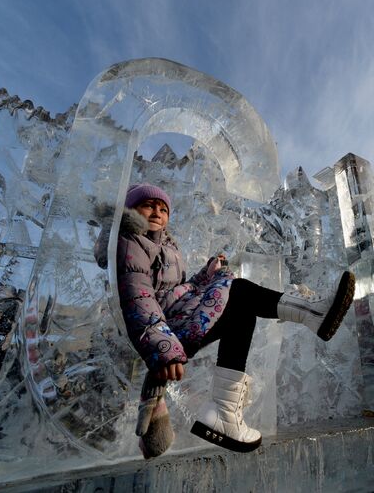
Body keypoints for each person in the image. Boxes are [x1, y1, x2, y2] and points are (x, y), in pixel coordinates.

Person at [95, 183, 355, 458]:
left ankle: (223, 412)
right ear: (131, 209)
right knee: (239, 291)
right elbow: (139, 297)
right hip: (166, 330)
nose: (157, 212)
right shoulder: (130, 241)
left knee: (240, 311)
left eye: (163, 208)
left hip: (177, 317)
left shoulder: (166, 245)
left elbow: (176, 289)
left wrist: (206, 274)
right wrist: (163, 347)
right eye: (148, 205)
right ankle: (311, 314)